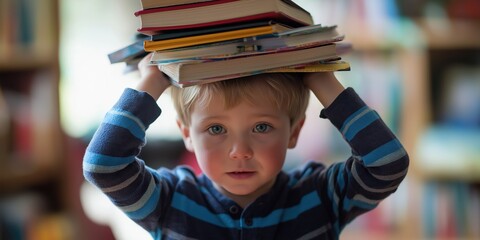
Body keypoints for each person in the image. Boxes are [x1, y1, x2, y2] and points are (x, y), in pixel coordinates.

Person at [83, 54, 409, 239]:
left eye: (261, 127)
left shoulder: (321, 196)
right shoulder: (169, 202)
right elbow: (104, 165)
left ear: (294, 132)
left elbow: (387, 163)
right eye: (216, 129)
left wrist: (320, 79)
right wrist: (153, 81)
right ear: (187, 134)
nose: (240, 150)